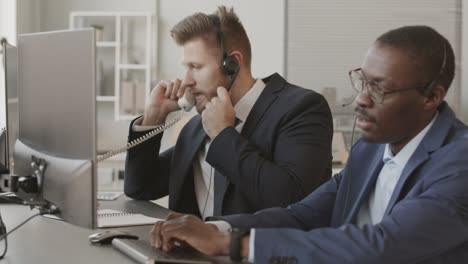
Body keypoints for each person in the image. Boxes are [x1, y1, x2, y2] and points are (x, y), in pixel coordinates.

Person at [149, 25, 468, 263]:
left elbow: (383, 245)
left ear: (432, 96)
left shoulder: (459, 163)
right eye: (362, 80)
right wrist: (215, 228)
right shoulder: (371, 149)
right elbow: (303, 215)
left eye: (380, 89)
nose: (360, 99)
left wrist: (233, 245)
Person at [124, 6, 333, 219]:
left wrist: (223, 135)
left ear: (232, 64)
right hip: (186, 252)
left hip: (257, 251)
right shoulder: (195, 128)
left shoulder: (302, 109)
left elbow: (291, 199)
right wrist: (153, 115)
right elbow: (139, 188)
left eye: (196, 66)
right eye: (185, 67)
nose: (186, 80)